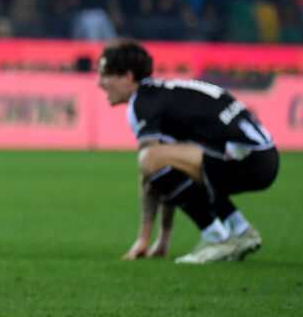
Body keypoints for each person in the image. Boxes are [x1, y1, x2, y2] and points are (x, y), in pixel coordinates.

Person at [96, 39, 278, 264]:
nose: (99, 83)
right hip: (262, 156)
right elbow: (170, 172)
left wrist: (143, 237)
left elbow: (151, 171)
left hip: (248, 160)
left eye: (104, 75)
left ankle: (217, 237)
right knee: (169, 164)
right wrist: (163, 238)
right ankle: (241, 231)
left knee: (149, 159)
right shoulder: (164, 94)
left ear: (128, 77)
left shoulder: (142, 104)